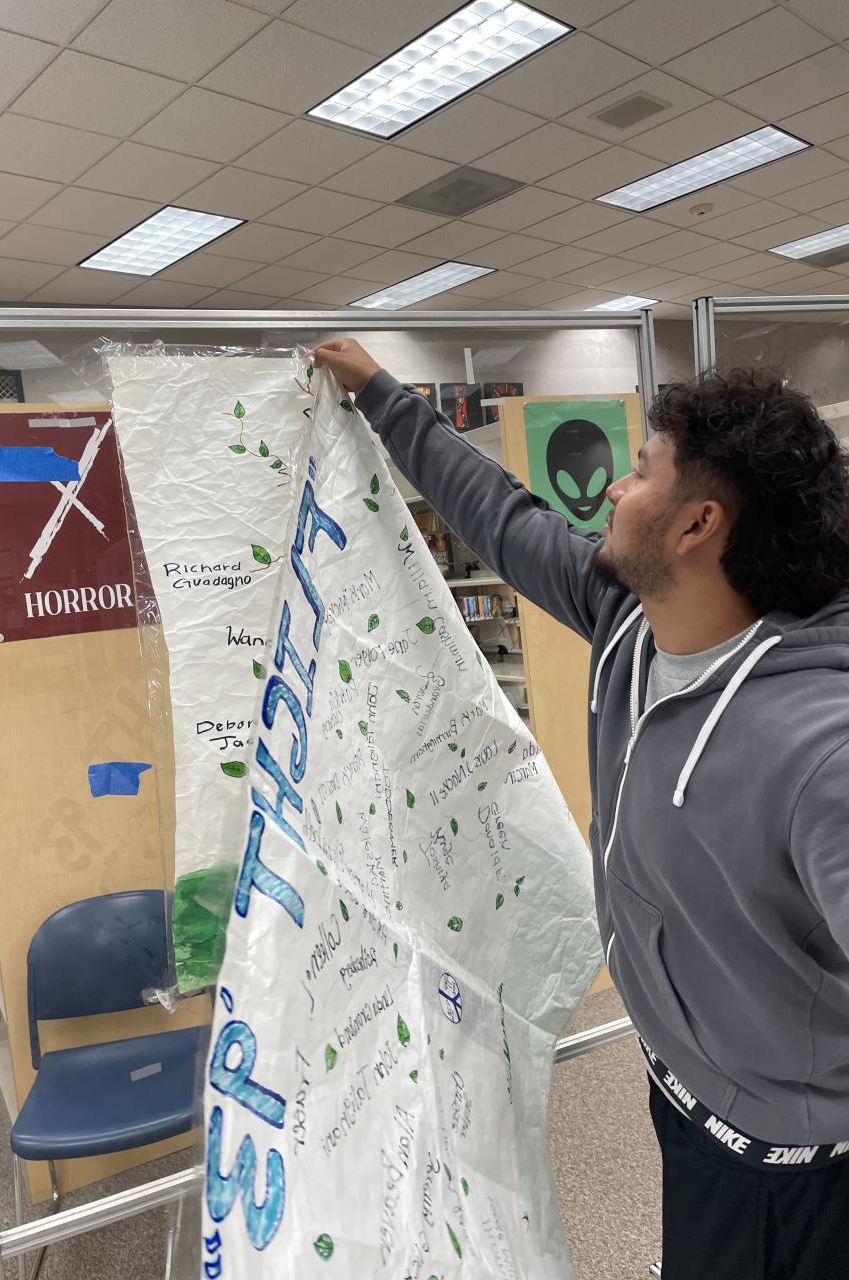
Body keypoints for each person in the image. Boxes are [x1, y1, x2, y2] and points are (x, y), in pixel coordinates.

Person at [312, 338, 849, 1280]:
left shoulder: (822, 747)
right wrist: (381, 393)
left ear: (698, 525)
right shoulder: (629, 621)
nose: (613, 490)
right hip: (685, 1097)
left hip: (792, 1165)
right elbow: (501, 515)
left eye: (640, 472)